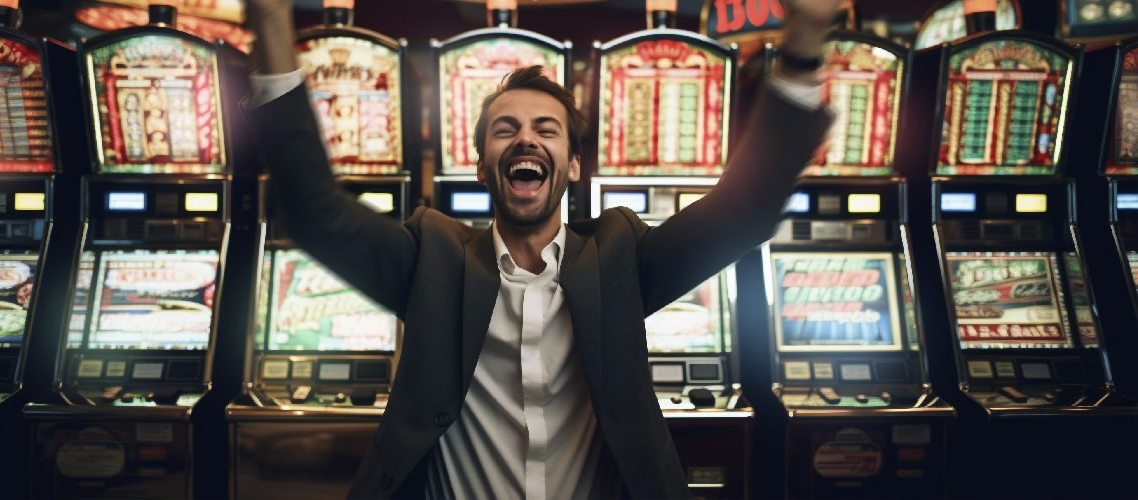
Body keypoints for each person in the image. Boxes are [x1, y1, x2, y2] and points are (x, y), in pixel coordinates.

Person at [244, 1, 839, 498]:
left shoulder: (619, 257)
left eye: (545, 129)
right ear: (481, 167)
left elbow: (745, 210)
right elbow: (316, 214)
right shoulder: (433, 258)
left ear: (573, 166)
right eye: (505, 129)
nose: (525, 137)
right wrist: (271, 22)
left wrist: (806, 41)